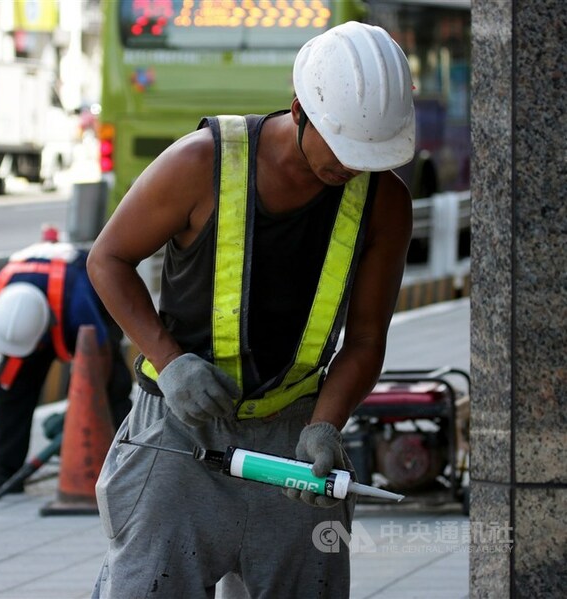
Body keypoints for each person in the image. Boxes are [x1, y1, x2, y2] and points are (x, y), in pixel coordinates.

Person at [86, 21, 415, 598]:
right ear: (299, 111)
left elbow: (365, 339)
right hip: (181, 428)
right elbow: (108, 259)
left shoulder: (385, 201)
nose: (353, 167)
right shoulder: (201, 163)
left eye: (371, 155)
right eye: (343, 148)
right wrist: (170, 362)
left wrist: (325, 426)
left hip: (295, 438)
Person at [0, 227, 133, 496]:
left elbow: (101, 354)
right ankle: (4, 470)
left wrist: (80, 412)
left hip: (87, 295)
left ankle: (123, 465)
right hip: (37, 308)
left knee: (113, 384)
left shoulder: (76, 300)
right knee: (11, 384)